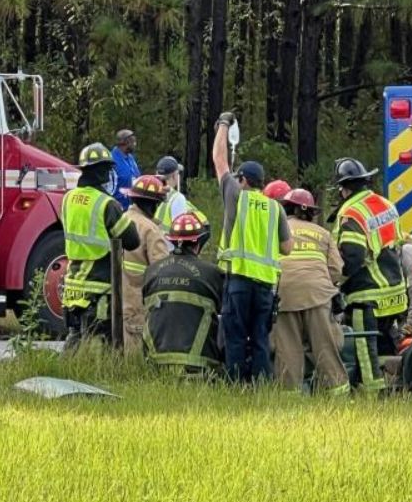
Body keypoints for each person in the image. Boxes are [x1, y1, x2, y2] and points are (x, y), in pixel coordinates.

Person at [211, 112, 294, 383]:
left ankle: (237, 387)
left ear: (243, 180)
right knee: (260, 339)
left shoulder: (236, 196)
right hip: (265, 287)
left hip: (238, 281)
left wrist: (223, 124)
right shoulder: (275, 208)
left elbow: (219, 160)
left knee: (235, 337)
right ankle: (262, 387)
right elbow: (287, 247)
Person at [331, 157, 407, 394]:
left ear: (343, 188)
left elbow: (352, 257)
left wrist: (336, 284)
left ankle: (374, 394)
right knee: (388, 343)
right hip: (395, 291)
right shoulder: (384, 204)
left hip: (367, 294)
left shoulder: (352, 213)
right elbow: (396, 243)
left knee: (365, 346)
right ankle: (399, 384)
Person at [61, 142, 141, 348]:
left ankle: (64, 374)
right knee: (100, 343)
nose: (108, 175)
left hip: (72, 284)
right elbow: (132, 241)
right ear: (101, 172)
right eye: (107, 170)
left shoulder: (67, 199)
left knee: (74, 338)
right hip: (98, 287)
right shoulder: (107, 204)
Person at [272, 188, 349, 395]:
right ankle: (337, 394)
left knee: (288, 351)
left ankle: (289, 400)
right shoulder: (323, 234)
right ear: (311, 212)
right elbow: (337, 270)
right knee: (325, 347)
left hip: (283, 294)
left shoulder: (275, 229)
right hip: (317, 295)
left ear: (286, 208)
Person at [143, 213, 225, 375]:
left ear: (172, 241)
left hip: (156, 364)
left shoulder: (151, 271)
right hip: (199, 366)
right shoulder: (213, 273)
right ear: (198, 243)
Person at [120, 175, 171, 356]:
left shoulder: (121, 220)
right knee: (135, 354)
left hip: (116, 297)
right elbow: (163, 272)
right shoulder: (150, 230)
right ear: (152, 204)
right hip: (137, 302)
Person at [154, 156, 207, 229]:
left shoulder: (152, 194)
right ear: (174, 176)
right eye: (178, 173)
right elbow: (180, 230)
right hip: (170, 240)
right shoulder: (177, 198)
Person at [111, 129, 140, 209]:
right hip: (118, 209)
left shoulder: (130, 158)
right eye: (133, 141)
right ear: (126, 142)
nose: (135, 144)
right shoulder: (112, 160)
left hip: (132, 208)